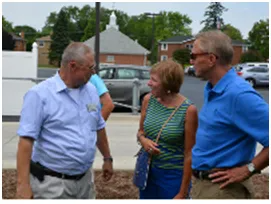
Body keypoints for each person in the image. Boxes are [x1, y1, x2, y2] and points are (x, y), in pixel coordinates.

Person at [16, 42, 113, 199]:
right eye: (90, 68)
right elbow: (25, 142)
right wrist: (23, 185)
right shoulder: (39, 95)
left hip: (85, 181)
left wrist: (107, 157)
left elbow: (98, 127)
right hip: (52, 185)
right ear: (72, 66)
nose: (94, 73)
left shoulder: (91, 91)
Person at [191, 30, 269, 199]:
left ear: (212, 59)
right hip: (204, 185)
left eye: (194, 55)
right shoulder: (213, 88)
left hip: (223, 190)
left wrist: (248, 169)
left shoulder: (239, 94)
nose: (191, 61)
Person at [136, 60, 198, 199]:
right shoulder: (148, 100)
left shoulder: (188, 110)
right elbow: (140, 132)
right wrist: (143, 141)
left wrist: (182, 192)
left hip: (173, 176)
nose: (148, 83)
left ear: (168, 83)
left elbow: (189, 154)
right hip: (148, 172)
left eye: (153, 80)